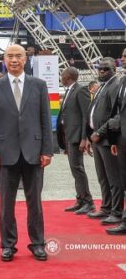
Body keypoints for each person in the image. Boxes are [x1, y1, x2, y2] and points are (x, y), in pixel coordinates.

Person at [0, 44, 53, 262]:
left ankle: (38, 243)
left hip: (34, 152)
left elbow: (45, 120)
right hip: (5, 154)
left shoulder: (39, 85)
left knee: (35, 203)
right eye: (10, 56)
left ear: (25, 60)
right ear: (4, 60)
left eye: (18, 56)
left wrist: (47, 150)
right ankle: (8, 245)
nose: (14, 60)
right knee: (6, 204)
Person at [86, 57, 123, 225]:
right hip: (97, 139)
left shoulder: (115, 85)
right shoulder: (102, 86)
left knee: (114, 178)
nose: (101, 71)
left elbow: (118, 114)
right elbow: (94, 112)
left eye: (106, 69)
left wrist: (100, 132)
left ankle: (116, 212)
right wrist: (90, 135)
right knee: (103, 177)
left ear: (114, 70)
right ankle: (106, 207)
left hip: (107, 139)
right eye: (100, 68)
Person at [56, 67, 94, 214]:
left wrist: (84, 138)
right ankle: (80, 199)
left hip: (77, 137)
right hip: (68, 136)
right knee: (74, 169)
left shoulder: (80, 90)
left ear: (68, 77)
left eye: (62, 75)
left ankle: (88, 202)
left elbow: (86, 116)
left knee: (78, 169)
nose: (61, 77)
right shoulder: (69, 90)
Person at [106, 48, 126, 235]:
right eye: (123, 56)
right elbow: (118, 111)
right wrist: (114, 139)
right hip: (121, 139)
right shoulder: (123, 82)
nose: (123, 59)